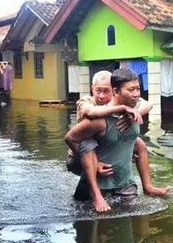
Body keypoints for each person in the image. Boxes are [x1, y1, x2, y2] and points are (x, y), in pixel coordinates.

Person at [65, 68, 167, 212]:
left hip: (113, 152)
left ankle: (148, 186)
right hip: (77, 155)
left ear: (112, 91)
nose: (101, 96)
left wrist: (133, 114)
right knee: (88, 145)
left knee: (139, 142)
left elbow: (148, 104)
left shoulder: (131, 106)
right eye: (98, 91)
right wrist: (123, 108)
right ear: (116, 91)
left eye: (105, 91)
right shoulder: (88, 103)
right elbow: (88, 116)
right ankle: (96, 193)